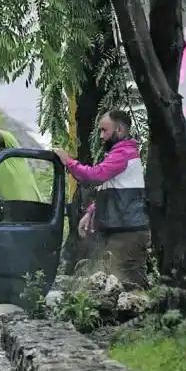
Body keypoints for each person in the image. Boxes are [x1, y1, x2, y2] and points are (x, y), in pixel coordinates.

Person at [53, 109, 150, 289]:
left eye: (105, 130)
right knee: (121, 281)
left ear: (120, 130)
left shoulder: (123, 154)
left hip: (127, 232)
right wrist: (91, 212)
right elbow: (111, 190)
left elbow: (94, 176)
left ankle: (156, 305)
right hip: (123, 229)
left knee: (126, 282)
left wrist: (69, 161)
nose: (101, 136)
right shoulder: (119, 154)